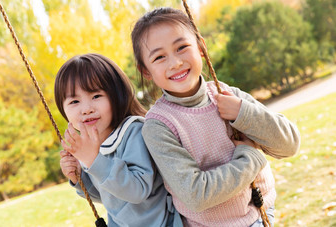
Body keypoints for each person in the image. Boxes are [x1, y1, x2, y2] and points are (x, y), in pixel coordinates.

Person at [131, 7, 300, 227]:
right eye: (159, 57)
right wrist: (250, 158)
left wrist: (243, 113)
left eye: (182, 47)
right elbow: (196, 195)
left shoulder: (228, 95)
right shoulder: (159, 125)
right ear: (145, 71)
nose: (175, 63)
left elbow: (289, 145)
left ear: (201, 47)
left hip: (264, 212)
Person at [54, 53, 183, 227]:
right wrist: (79, 179)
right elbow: (111, 196)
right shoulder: (93, 144)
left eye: (96, 96)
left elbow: (137, 190)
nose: (86, 109)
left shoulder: (133, 132)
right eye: (74, 101)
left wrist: (94, 160)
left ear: (116, 94)